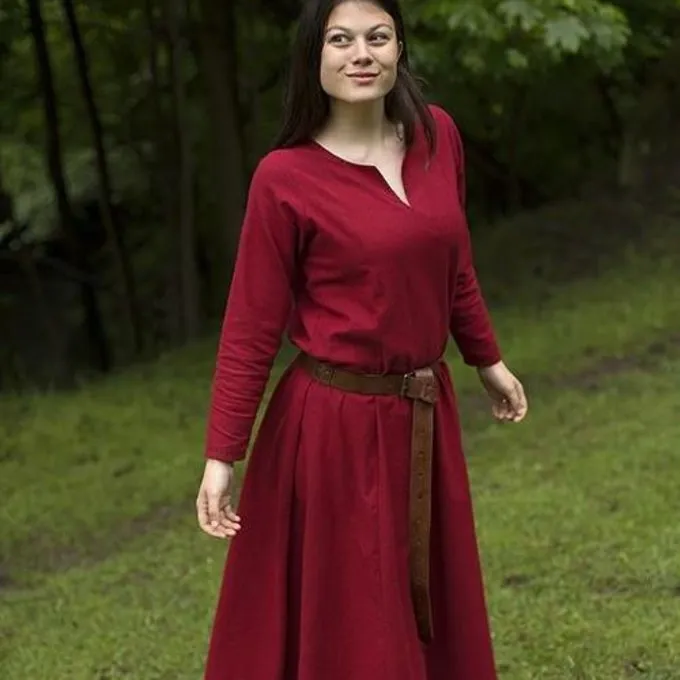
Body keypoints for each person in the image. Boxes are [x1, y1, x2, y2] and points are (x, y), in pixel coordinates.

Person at [196, 0, 528, 678]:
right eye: (340, 40)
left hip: (426, 413)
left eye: (377, 37)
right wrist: (222, 456)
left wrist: (486, 358)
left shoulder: (437, 136)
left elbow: (454, 264)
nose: (361, 54)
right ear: (313, 57)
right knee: (357, 618)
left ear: (399, 48)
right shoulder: (285, 178)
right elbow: (251, 327)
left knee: (427, 602)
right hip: (333, 430)